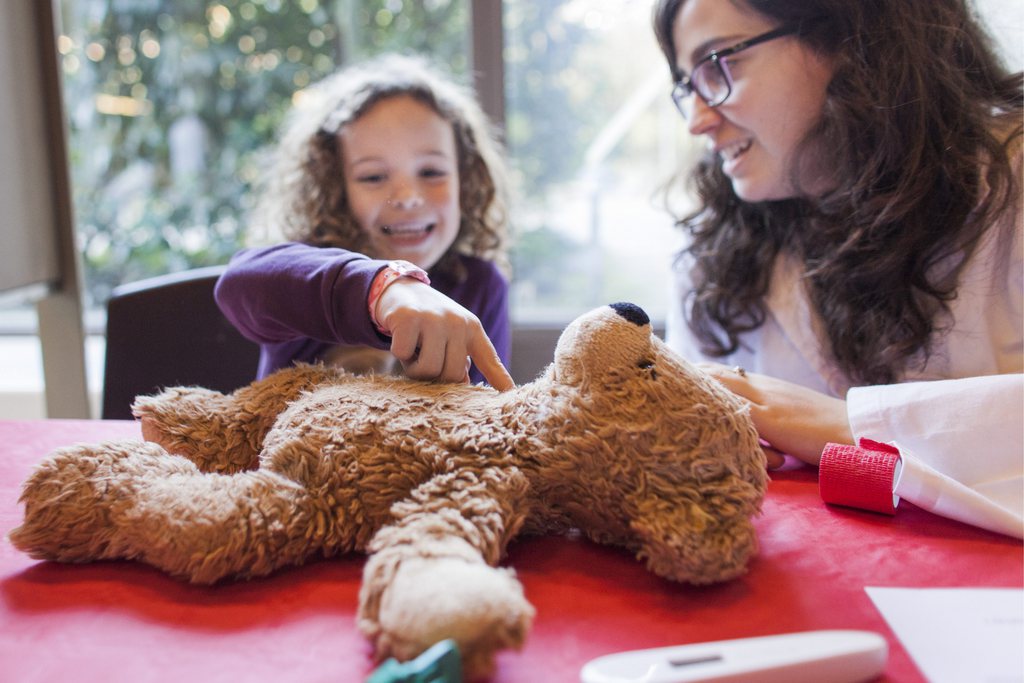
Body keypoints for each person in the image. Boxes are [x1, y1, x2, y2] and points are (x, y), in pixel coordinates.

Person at [653, 0, 1022, 535]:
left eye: (718, 66)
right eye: (688, 86)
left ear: (851, 35)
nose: (697, 120)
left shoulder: (1014, 178)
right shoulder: (709, 258)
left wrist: (844, 426)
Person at [214, 54, 514, 391]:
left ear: (467, 181)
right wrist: (382, 289)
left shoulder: (481, 285)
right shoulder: (306, 278)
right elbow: (237, 283)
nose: (406, 196)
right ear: (336, 188)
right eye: (373, 177)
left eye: (431, 172)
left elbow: (489, 415)